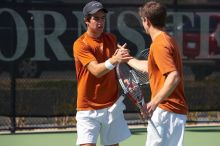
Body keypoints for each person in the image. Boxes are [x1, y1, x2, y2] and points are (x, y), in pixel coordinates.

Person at [118, 1, 188, 146]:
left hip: (166, 111)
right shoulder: (167, 40)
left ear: (146, 21)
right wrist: (128, 59)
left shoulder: (159, 45)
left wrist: (154, 102)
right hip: (172, 112)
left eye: (142, 20)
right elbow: (150, 67)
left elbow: (173, 76)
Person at [73, 1, 132, 146]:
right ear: (87, 20)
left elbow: (116, 65)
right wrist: (115, 59)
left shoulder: (111, 39)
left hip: (111, 107)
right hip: (88, 108)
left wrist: (121, 57)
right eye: (96, 18)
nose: (100, 22)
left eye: (103, 18)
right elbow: (96, 71)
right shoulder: (81, 44)